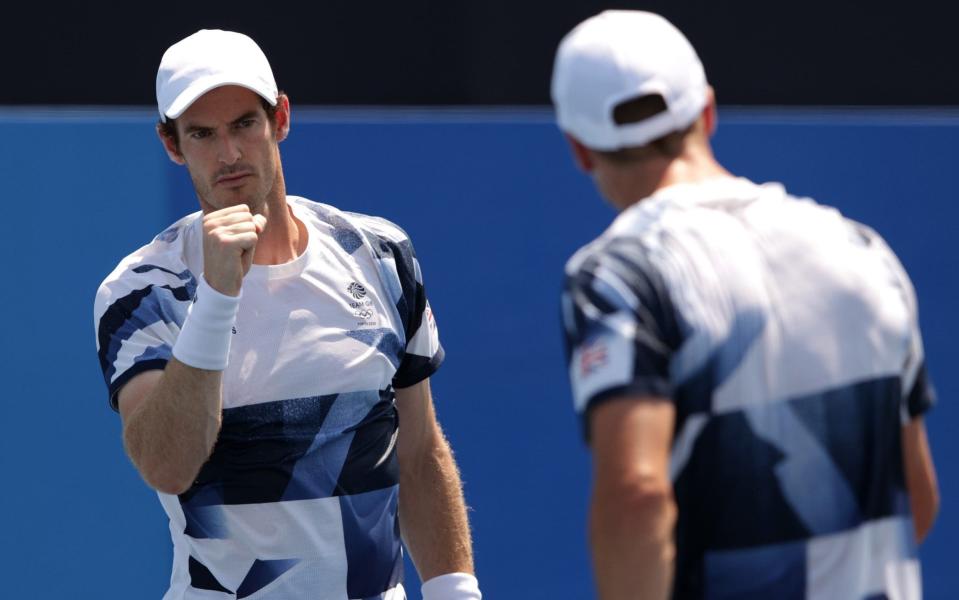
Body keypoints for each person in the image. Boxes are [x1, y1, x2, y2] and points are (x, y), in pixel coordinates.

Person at [551, 10, 939, 600]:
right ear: (706, 112)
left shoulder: (617, 275)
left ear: (580, 150)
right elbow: (917, 496)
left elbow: (638, 493)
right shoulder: (865, 252)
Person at [93, 29, 481, 600]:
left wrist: (455, 592)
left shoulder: (380, 254)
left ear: (280, 119)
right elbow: (167, 465)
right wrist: (218, 298)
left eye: (244, 124)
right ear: (172, 145)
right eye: (202, 134)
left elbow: (420, 452)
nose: (228, 155)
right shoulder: (142, 290)